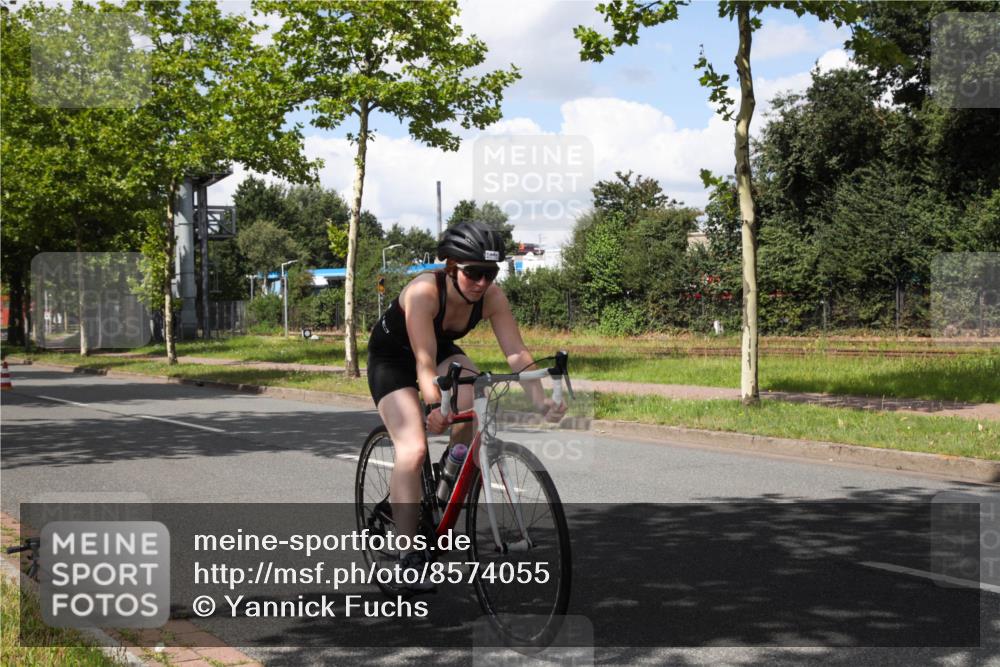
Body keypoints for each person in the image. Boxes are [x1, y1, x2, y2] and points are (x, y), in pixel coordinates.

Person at [366, 221, 566, 589]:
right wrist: (434, 407)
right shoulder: (424, 292)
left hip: (439, 352)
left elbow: (517, 353)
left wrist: (542, 400)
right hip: (393, 359)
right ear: (451, 267)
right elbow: (424, 364)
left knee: (477, 392)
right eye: (474, 273)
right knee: (412, 449)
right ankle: (408, 554)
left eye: (490, 273)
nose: (482, 283)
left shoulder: (492, 296)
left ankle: (451, 468)